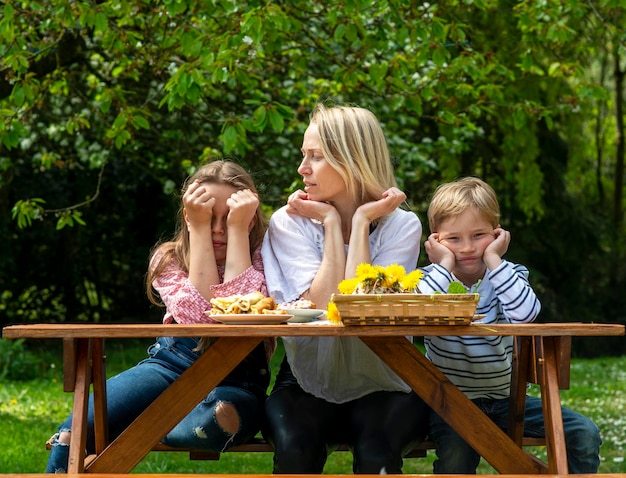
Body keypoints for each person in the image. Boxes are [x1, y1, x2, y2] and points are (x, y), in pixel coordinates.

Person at [46, 160, 275, 473]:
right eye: (208, 217)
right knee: (71, 436)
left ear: (250, 220)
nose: (219, 228)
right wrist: (197, 232)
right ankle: (162, 418)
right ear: (190, 215)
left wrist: (238, 233)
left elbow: (238, 311)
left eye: (231, 218)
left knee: (220, 417)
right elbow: (200, 319)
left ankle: (158, 423)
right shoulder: (168, 257)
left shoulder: (267, 255)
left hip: (238, 378)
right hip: (170, 366)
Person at [261, 103, 430, 474]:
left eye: (315, 157)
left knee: (376, 455)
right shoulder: (288, 223)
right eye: (304, 156)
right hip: (305, 381)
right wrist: (330, 224)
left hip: (386, 381)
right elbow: (320, 305)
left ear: (352, 160)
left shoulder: (401, 226)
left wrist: (362, 220)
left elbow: (358, 308)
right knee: (295, 451)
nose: (302, 169)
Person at [418, 176, 601, 474]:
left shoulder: (507, 274)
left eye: (479, 235)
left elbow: (525, 315)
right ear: (436, 240)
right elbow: (421, 313)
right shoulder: (430, 279)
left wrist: (494, 259)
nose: (467, 248)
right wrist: (443, 265)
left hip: (508, 401)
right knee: (456, 454)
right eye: (453, 239)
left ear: (497, 233)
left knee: (584, 433)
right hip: (450, 402)